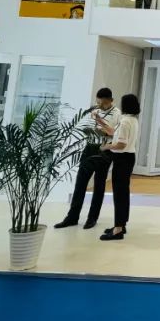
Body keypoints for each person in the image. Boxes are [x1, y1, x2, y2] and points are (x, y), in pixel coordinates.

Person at [55, 87, 121, 230]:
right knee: (80, 183)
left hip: (104, 150)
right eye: (98, 102)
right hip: (89, 147)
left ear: (111, 100)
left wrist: (99, 121)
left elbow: (113, 133)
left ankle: (92, 218)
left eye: (103, 103)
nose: (100, 105)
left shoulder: (117, 113)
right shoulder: (94, 110)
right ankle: (72, 217)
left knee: (99, 185)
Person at [100, 94, 140, 241]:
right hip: (128, 158)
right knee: (123, 193)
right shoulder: (132, 120)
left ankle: (118, 229)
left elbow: (121, 144)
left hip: (122, 159)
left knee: (119, 194)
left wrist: (106, 147)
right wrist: (100, 121)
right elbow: (114, 133)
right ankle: (121, 225)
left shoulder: (124, 122)